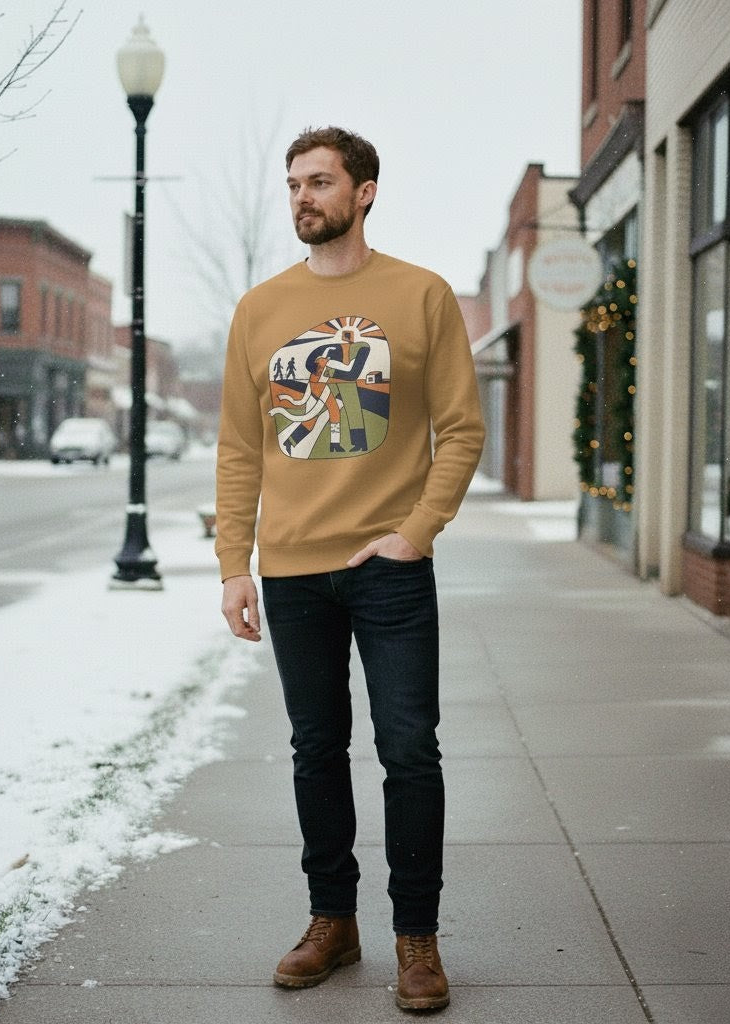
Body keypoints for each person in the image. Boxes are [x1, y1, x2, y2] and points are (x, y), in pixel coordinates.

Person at [215, 125, 484, 1013]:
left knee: (409, 750)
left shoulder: (421, 296)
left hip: (389, 569)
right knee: (315, 751)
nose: (302, 197)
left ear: (364, 191)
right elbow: (239, 449)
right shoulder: (258, 310)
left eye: (320, 182)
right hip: (292, 573)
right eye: (293, 183)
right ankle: (334, 921)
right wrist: (234, 564)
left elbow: (462, 428)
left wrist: (416, 531)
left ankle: (418, 937)